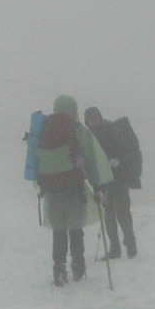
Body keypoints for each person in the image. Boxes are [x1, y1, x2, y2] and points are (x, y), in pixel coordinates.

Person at [32, 94, 112, 285]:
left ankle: (59, 270)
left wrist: (42, 185)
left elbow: (36, 162)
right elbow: (92, 159)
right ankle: (78, 266)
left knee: (58, 231)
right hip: (75, 189)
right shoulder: (78, 130)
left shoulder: (42, 130)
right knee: (76, 229)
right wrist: (99, 186)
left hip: (52, 190)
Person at [83, 107, 142, 258]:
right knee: (108, 214)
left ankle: (130, 245)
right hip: (104, 181)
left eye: (95, 117)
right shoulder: (89, 137)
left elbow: (127, 151)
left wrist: (119, 162)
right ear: (87, 121)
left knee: (122, 212)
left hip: (119, 178)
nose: (94, 120)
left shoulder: (111, 130)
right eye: (90, 118)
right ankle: (115, 248)